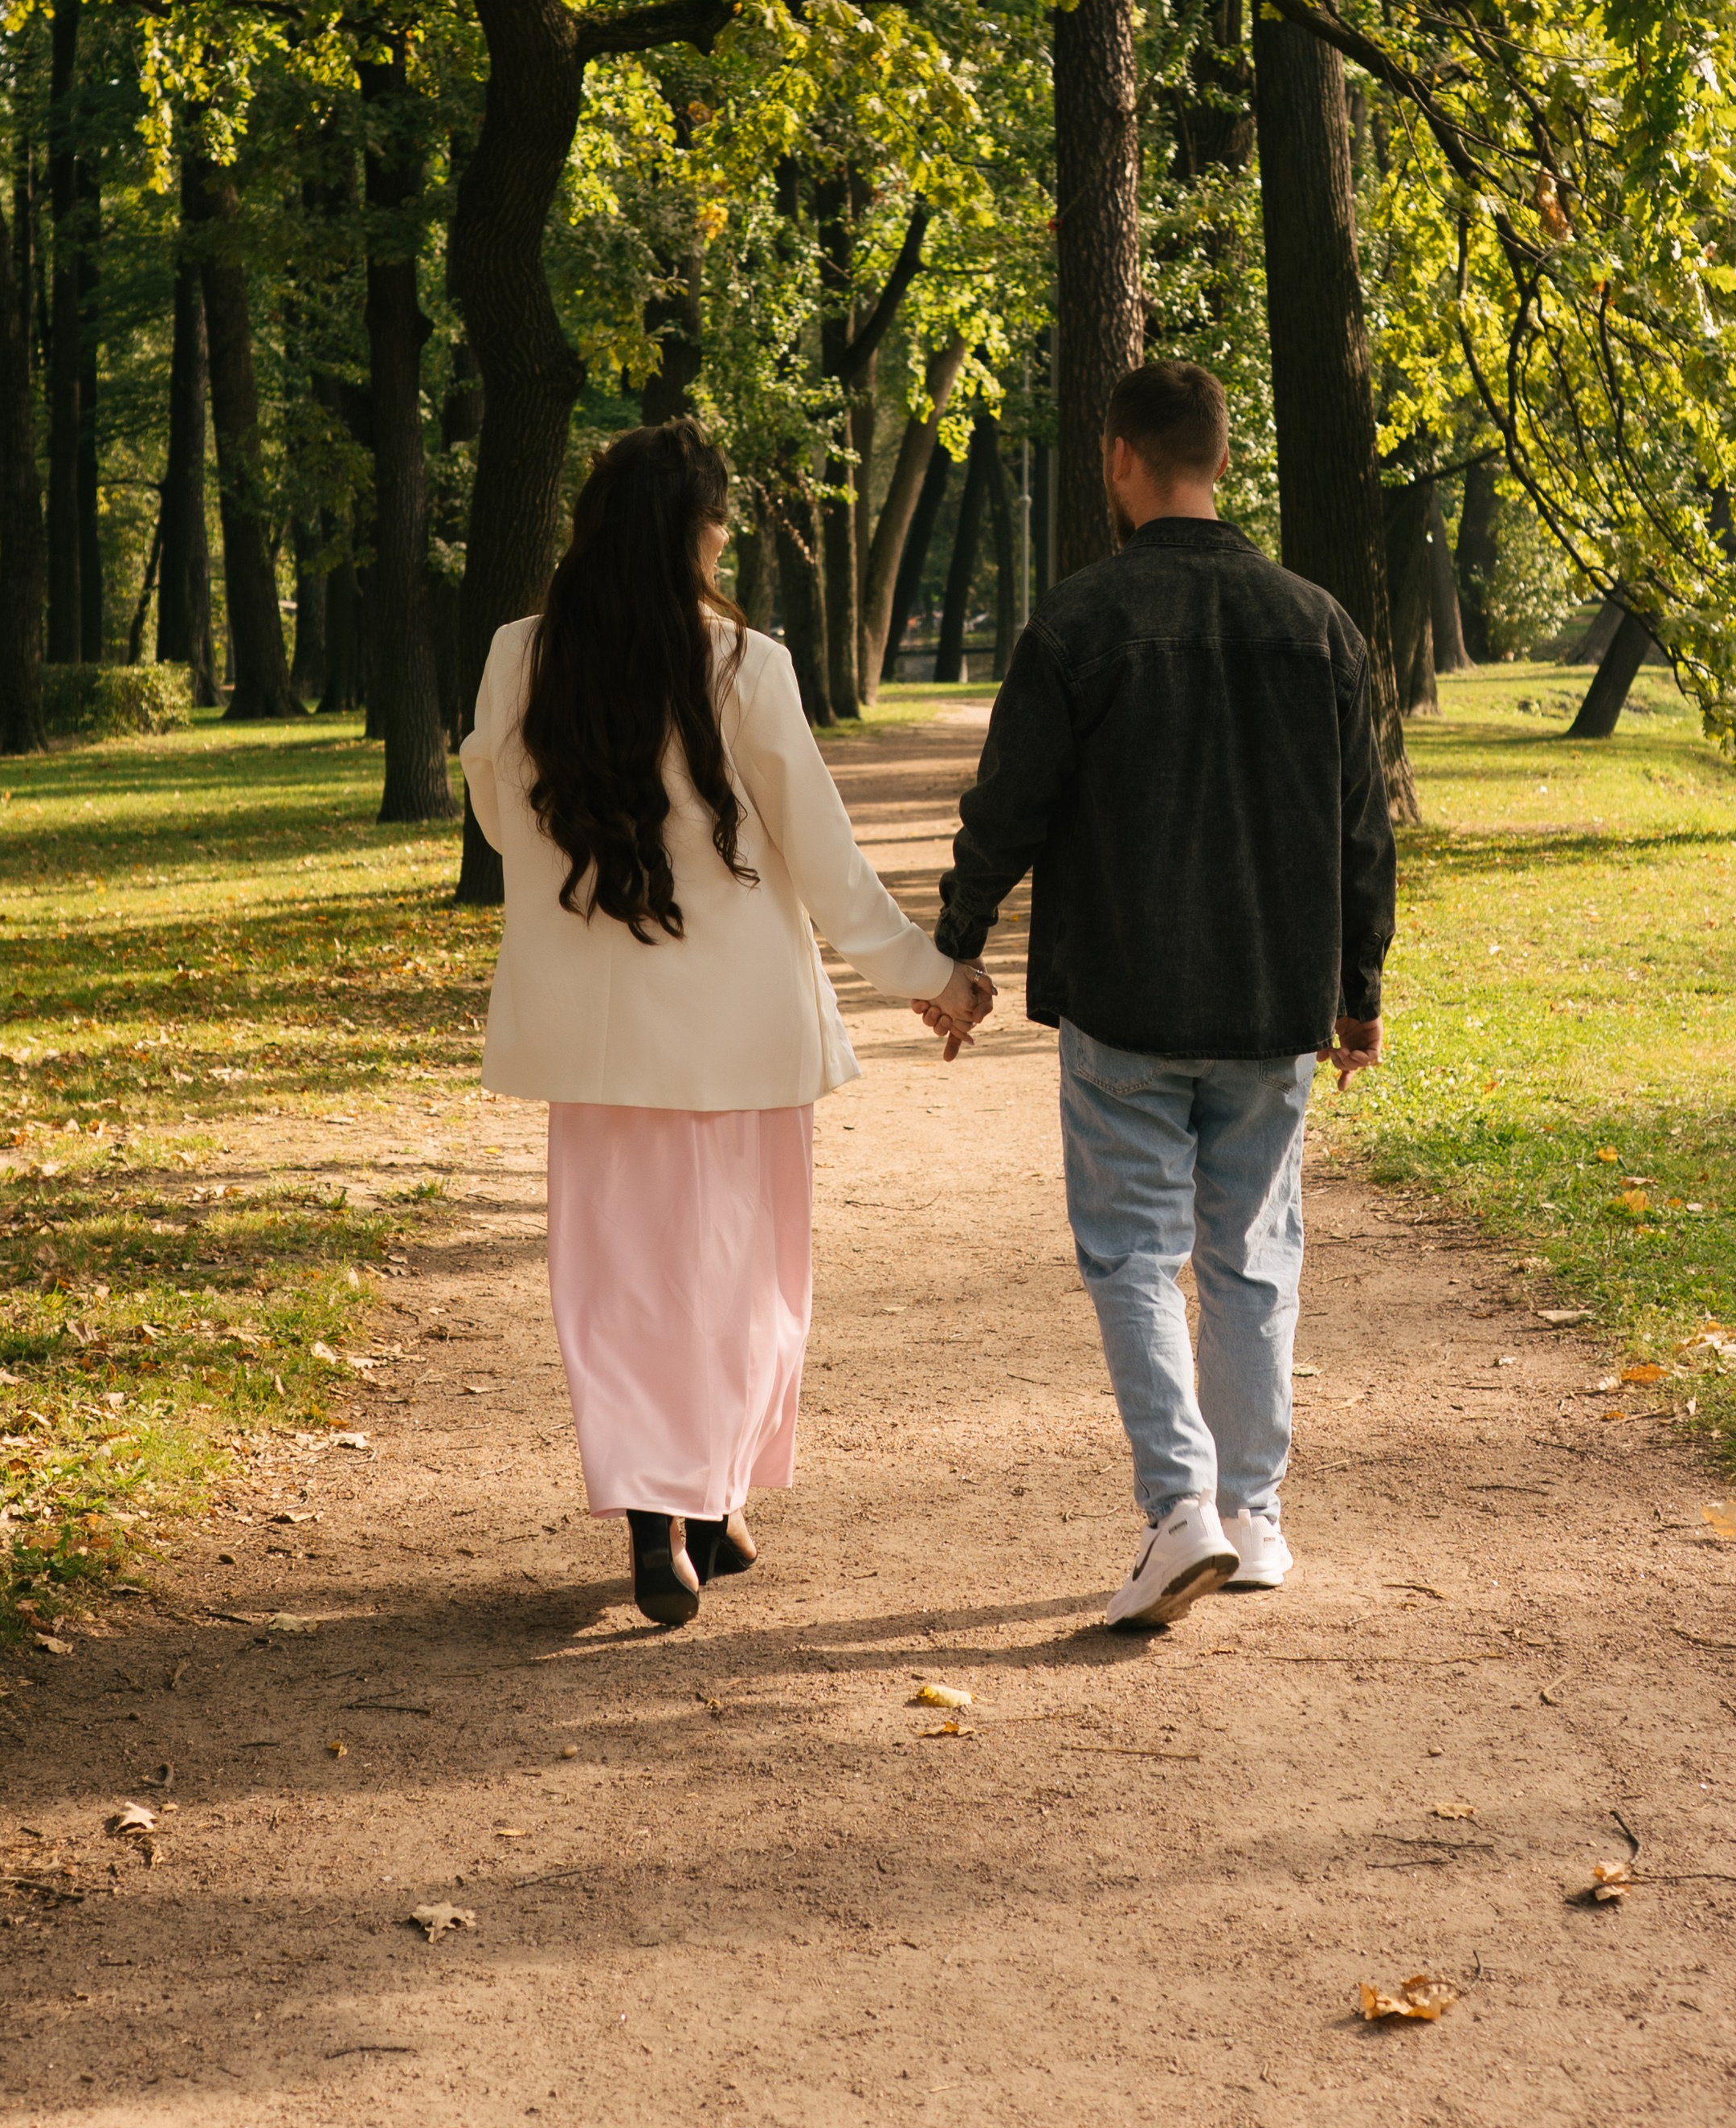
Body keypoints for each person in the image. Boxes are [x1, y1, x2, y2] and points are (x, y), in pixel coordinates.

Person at [462, 420, 992, 1628]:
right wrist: (929, 974)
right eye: (718, 523)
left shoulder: (518, 656)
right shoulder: (746, 664)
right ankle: (706, 1501)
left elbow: (499, 825)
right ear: (693, 533)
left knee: (617, 1282)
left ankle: (669, 1511)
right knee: (745, 1273)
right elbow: (826, 856)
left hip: (594, 1038)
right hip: (740, 1032)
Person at [926, 359, 1396, 1631]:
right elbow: (1363, 830)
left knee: (1134, 1253)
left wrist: (954, 952)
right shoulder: (1319, 625)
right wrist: (1358, 992)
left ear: (1120, 460)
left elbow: (1008, 806)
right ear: (1223, 461)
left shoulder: (1078, 623)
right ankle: (1253, 1517)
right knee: (1253, 1257)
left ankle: (1181, 1506)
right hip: (1269, 999)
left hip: (1126, 999)